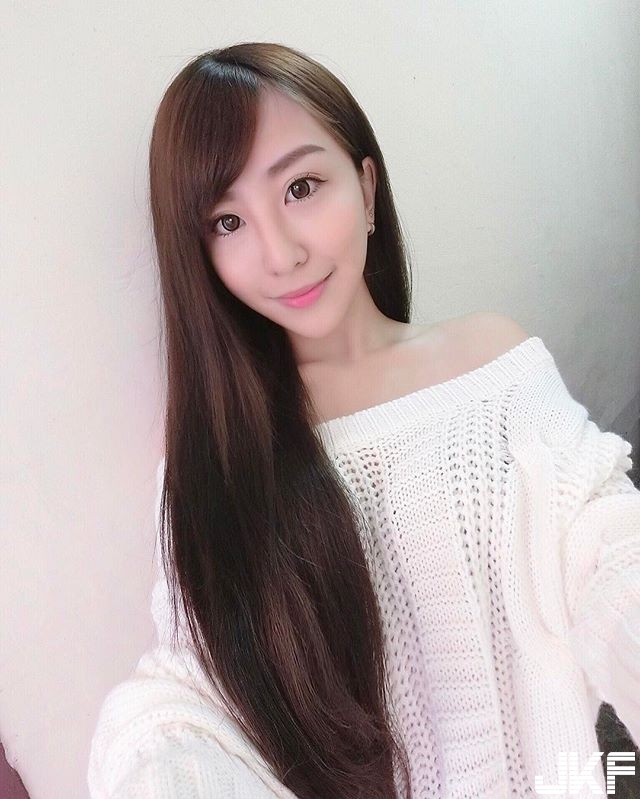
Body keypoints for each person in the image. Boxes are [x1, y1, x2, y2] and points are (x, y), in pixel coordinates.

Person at [87, 42, 640, 798]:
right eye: (227, 221)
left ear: (368, 189)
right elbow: (192, 694)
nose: (280, 253)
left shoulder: (490, 363)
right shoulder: (215, 461)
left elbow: (605, 542)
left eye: (301, 187)